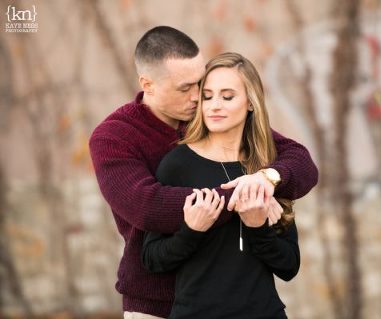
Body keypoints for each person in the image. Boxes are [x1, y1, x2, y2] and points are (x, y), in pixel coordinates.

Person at [89, 26, 318, 319]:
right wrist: (247, 195)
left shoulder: (210, 118)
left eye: (200, 84)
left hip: (235, 300)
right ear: (148, 85)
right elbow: (149, 207)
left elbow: (298, 159)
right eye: (185, 88)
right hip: (155, 302)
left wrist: (265, 178)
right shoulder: (114, 138)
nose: (199, 98)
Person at [142, 52, 306, 319]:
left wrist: (257, 227)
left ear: (250, 103)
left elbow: (289, 266)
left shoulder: (266, 168)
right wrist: (192, 230)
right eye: (207, 96)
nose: (214, 105)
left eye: (227, 96)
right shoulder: (178, 164)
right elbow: (152, 259)